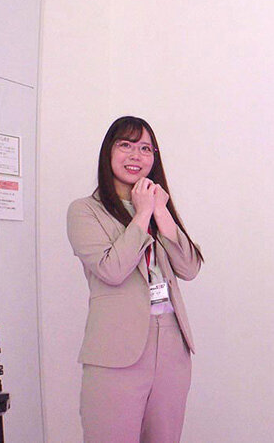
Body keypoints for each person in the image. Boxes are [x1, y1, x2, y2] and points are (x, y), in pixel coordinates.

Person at [66, 115, 204, 442]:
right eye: (125, 145)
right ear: (108, 151)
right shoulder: (85, 210)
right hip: (116, 349)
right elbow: (111, 271)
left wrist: (161, 212)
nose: (135, 155)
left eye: (145, 148)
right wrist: (142, 213)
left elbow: (189, 268)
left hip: (171, 344)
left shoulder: (158, 208)